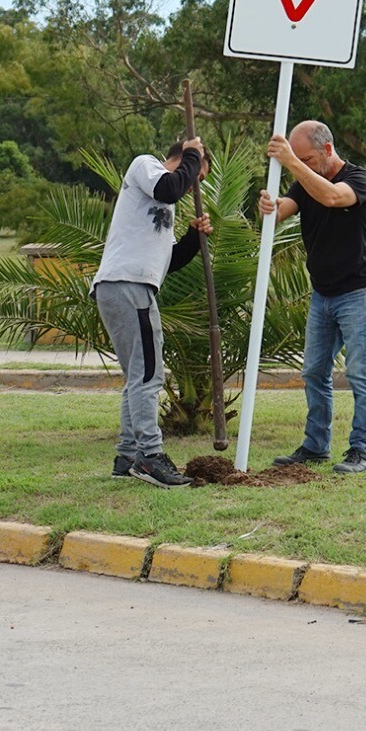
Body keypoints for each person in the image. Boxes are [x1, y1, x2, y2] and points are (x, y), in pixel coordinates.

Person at [258, 121, 366, 475]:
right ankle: (315, 446)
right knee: (313, 371)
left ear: (328, 149)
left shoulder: (359, 180)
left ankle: (361, 450)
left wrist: (291, 162)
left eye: (308, 158)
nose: (303, 165)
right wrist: (270, 204)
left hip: (357, 290)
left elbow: (332, 196)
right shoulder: (305, 180)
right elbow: (282, 210)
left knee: (360, 372)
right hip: (322, 293)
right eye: (299, 161)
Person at [91, 137, 213, 488]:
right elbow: (171, 187)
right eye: (197, 178)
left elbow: (166, 261)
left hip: (126, 285)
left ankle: (127, 456)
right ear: (181, 158)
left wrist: (191, 238)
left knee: (137, 377)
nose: (194, 187)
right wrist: (194, 155)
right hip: (128, 287)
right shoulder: (146, 165)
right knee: (148, 377)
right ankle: (150, 457)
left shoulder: (162, 198)